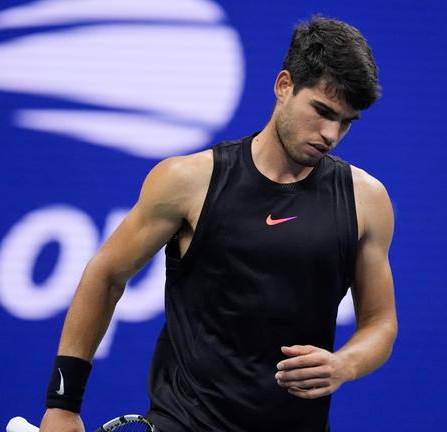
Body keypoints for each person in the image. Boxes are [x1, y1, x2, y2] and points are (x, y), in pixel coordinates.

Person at [39, 16, 397, 432]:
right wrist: (63, 405)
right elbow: (106, 275)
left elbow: (380, 322)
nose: (331, 133)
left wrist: (344, 364)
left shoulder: (366, 200)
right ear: (284, 86)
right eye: (321, 111)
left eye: (346, 121)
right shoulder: (188, 181)